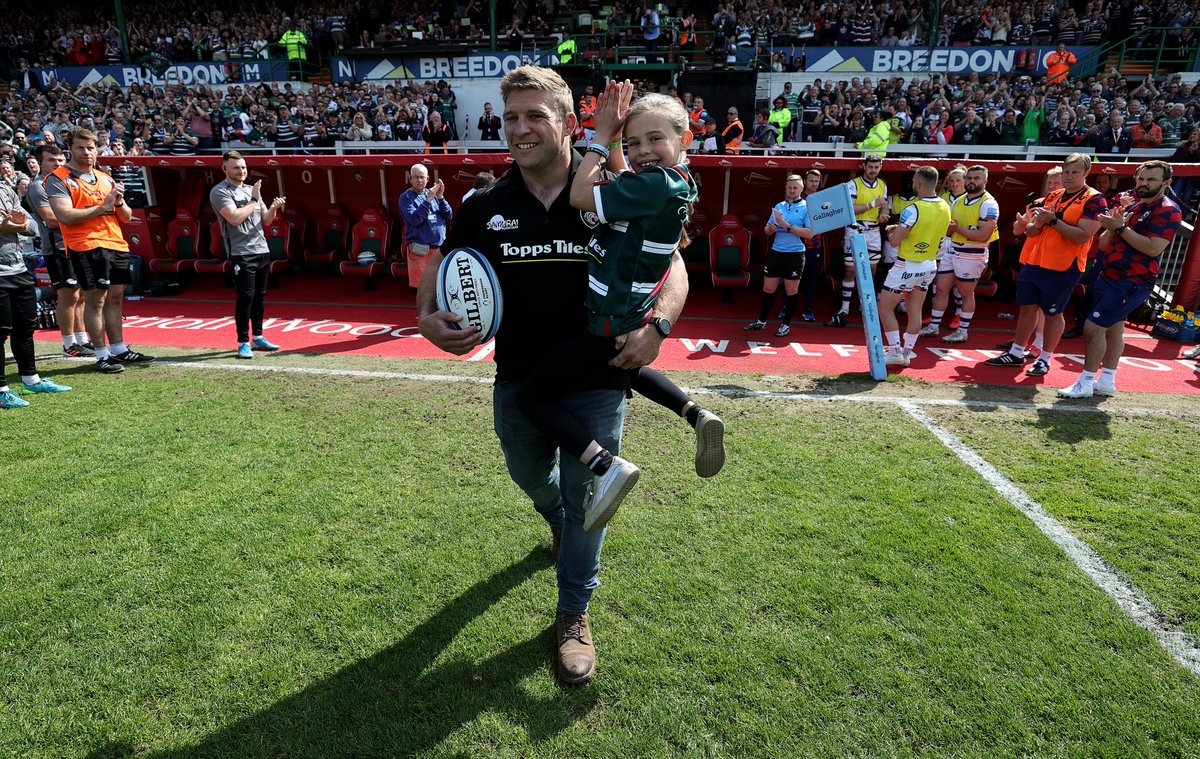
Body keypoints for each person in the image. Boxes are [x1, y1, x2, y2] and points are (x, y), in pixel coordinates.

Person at [418, 66, 690, 686]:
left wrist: (658, 328)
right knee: (529, 477)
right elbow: (440, 262)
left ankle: (574, 612)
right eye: (511, 116)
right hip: (516, 378)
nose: (520, 129)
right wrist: (426, 318)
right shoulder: (485, 204)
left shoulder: (614, 187)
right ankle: (555, 518)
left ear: (568, 123)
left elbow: (671, 263)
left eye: (535, 116)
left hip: (595, 377)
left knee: (589, 497)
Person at [518, 80, 724, 533]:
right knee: (623, 367)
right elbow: (625, 174)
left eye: (655, 139)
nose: (642, 150)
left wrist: (596, 139)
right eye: (634, 142)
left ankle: (604, 465)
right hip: (631, 311)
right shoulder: (672, 182)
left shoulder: (655, 184)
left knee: (532, 396)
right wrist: (614, 140)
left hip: (610, 315)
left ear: (684, 140)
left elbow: (578, 195)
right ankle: (695, 413)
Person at [1058, 161, 1182, 398]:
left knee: (1093, 328)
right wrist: (1115, 224)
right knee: (1114, 331)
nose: (1144, 183)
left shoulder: (1168, 209)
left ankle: (1085, 383)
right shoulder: (1133, 206)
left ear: (1166, 183)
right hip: (1109, 276)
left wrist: (1121, 227)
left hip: (1132, 281)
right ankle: (1106, 382)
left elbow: (1154, 248)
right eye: (1142, 178)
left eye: (1151, 179)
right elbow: (1104, 244)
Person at [46, 127, 154, 374]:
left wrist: (116, 202)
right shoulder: (58, 178)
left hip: (115, 242)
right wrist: (101, 207)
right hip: (85, 244)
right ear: (70, 149)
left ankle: (119, 350)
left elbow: (125, 216)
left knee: (116, 298)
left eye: (91, 148)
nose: (86, 153)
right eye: (81, 148)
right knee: (95, 300)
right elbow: (64, 216)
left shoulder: (105, 177)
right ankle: (101, 355)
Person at [986, 154, 1106, 376]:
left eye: (1075, 173)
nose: (1069, 177)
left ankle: (1044, 358)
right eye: (1066, 172)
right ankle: (1016, 352)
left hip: (1063, 266)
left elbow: (1082, 236)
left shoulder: (1094, 199)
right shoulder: (1053, 196)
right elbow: (1030, 231)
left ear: (1086, 174)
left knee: (1053, 314)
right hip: (1033, 261)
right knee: (1027, 309)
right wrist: (1037, 222)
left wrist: (1052, 221)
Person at [1, 175, 72, 409]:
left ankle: (31, 380)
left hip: (18, 269)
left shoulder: (5, 190)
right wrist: (4, 226)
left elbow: (31, 226)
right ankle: (2, 390)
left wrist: (19, 224)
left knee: (25, 327)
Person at [210, 151, 286, 359]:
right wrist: (254, 198)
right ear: (225, 169)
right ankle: (243, 341)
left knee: (260, 298)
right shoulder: (220, 191)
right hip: (241, 252)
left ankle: (258, 337)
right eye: (236, 167)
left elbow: (267, 220)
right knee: (245, 297)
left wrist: (274, 208)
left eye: (243, 167)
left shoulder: (251, 191)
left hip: (262, 249)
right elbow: (234, 218)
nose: (241, 171)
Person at [879, 166, 950, 367]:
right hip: (929, 265)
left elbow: (894, 242)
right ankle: (907, 353)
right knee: (915, 310)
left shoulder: (913, 208)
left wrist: (893, 232)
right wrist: (902, 229)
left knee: (885, 307)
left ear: (918, 184)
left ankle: (894, 351)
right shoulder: (945, 206)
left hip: (906, 265)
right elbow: (928, 230)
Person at [920, 165, 998, 344]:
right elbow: (949, 228)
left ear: (985, 181)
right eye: (969, 178)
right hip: (952, 249)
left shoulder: (989, 203)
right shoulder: (958, 200)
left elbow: (984, 235)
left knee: (965, 292)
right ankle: (934, 326)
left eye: (976, 178)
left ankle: (963, 331)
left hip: (972, 253)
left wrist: (957, 229)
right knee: (940, 288)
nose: (972, 181)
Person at [27, 144, 90, 358]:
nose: (58, 164)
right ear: (40, 163)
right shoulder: (38, 187)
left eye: (61, 160)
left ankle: (82, 340)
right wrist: (86, 213)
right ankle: (68, 344)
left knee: (80, 294)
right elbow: (52, 219)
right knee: (67, 295)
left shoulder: (66, 181)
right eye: (52, 160)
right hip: (56, 248)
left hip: (75, 243)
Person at [745, 174, 813, 336]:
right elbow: (766, 230)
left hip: (795, 255)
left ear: (801, 189)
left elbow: (809, 233)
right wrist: (771, 229)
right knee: (768, 288)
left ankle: (785, 324)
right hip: (776, 252)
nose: (791, 190)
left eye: (795, 188)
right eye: (789, 187)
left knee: (791, 290)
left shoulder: (806, 207)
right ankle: (761, 321)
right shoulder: (779, 206)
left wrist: (787, 226)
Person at [828, 155, 888, 327]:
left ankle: (864, 305)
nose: (873, 170)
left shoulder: (882, 184)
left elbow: (883, 204)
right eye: (870, 167)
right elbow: (850, 208)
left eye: (877, 167)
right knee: (850, 270)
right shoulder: (853, 184)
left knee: (871, 270)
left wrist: (884, 212)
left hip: (874, 231)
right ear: (864, 166)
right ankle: (845, 307)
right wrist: (871, 205)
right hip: (855, 229)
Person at [399, 164, 452, 289]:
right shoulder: (405, 197)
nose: (419, 180)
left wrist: (440, 197)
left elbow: (449, 215)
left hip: (439, 249)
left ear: (427, 179)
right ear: (410, 178)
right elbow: (415, 219)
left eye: (422, 177)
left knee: (440, 286)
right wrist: (428, 200)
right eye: (415, 177)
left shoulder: (433, 194)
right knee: (423, 288)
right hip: (420, 249)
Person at [797, 169, 825, 322]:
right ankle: (786, 308)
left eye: (816, 181)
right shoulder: (797, 198)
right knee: (792, 278)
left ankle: (808, 309)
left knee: (811, 278)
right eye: (811, 181)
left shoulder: (823, 199)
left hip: (814, 245)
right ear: (805, 182)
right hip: (796, 245)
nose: (813, 184)